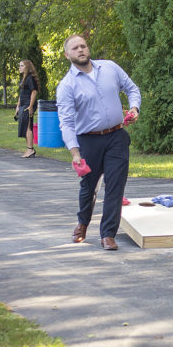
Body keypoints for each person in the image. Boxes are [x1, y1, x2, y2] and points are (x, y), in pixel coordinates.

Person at [56, 35, 141, 251]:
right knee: (88, 187)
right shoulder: (67, 85)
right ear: (68, 55)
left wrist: (134, 108)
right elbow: (66, 122)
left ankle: (108, 234)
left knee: (115, 186)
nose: (81, 50)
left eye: (83, 46)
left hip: (116, 136)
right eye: (75, 48)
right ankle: (83, 223)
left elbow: (132, 88)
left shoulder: (110, 68)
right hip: (88, 140)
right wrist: (75, 152)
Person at [15, 59, 40, 158]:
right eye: (19, 66)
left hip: (28, 104)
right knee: (25, 126)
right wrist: (17, 106)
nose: (19, 68)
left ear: (27, 67)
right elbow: (21, 94)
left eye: (21, 66)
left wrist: (30, 106)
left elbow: (34, 92)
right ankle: (29, 148)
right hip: (23, 104)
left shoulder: (30, 78)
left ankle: (30, 149)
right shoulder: (23, 78)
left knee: (28, 127)